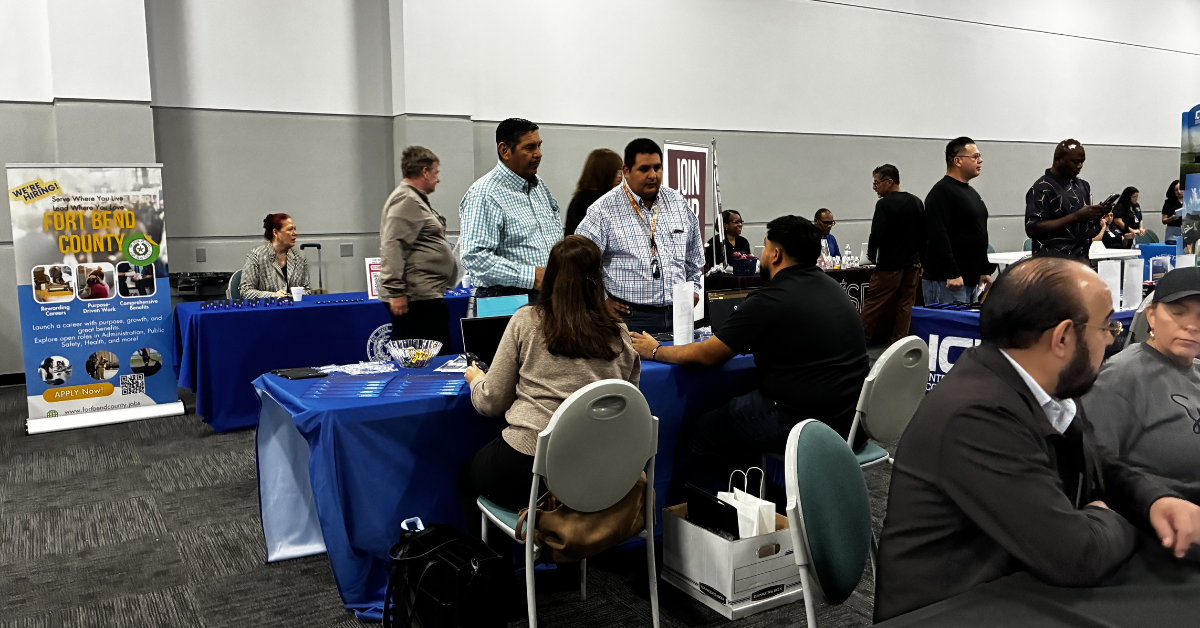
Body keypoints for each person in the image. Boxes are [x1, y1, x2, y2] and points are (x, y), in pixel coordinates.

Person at [874, 256, 1200, 622]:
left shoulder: (1038, 389)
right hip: (952, 609)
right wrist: (1122, 517)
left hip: (1011, 585)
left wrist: (1154, 501)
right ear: (1062, 338)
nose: (1112, 340)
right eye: (1107, 327)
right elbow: (1076, 555)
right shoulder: (977, 416)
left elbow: (1099, 463)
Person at [629, 216, 869, 502]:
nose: (761, 256)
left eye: (765, 248)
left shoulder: (768, 300)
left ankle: (777, 508)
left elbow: (706, 356)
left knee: (704, 433)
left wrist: (655, 350)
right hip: (851, 419)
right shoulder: (834, 289)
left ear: (776, 254)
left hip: (801, 419)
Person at [457, 236, 641, 554]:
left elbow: (492, 401)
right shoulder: (618, 331)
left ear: (550, 274)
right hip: (598, 472)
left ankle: (495, 577)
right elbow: (629, 400)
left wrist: (476, 379)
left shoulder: (527, 322)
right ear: (598, 279)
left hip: (531, 469)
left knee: (466, 475)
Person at [1081, 267, 1200, 503]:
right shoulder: (1122, 377)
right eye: (1177, 312)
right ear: (1151, 316)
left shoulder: (1196, 370)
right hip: (1163, 522)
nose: (1191, 326)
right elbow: (1095, 473)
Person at [576, 138, 704, 335]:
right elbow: (578, 262)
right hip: (631, 317)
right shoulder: (603, 210)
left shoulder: (678, 203)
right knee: (638, 367)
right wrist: (600, 301)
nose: (653, 175)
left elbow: (695, 257)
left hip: (679, 314)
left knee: (683, 366)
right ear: (626, 171)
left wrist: (694, 289)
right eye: (644, 169)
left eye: (657, 168)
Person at [459, 118, 562, 301]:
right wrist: (532, 276)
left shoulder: (540, 187)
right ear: (505, 150)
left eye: (539, 146)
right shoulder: (484, 193)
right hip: (504, 298)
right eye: (530, 147)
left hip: (547, 296)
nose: (538, 154)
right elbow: (475, 258)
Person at [379, 145, 458, 349]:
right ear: (425, 171)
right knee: (423, 359)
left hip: (425, 296)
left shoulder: (415, 199)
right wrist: (395, 291)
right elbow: (393, 245)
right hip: (417, 299)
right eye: (435, 172)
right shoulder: (407, 199)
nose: (438, 179)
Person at [923, 136, 995, 304]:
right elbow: (937, 235)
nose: (980, 160)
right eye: (975, 156)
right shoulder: (941, 192)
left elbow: (979, 233)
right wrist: (952, 272)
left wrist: (984, 270)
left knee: (963, 330)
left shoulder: (971, 193)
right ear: (958, 161)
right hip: (948, 282)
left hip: (970, 280)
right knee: (945, 328)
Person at [861, 164, 925, 344]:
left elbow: (876, 234)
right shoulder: (916, 202)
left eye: (876, 183)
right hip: (912, 266)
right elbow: (924, 234)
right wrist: (922, 261)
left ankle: (860, 340)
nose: (875, 188)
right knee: (905, 306)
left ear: (889, 182)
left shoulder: (883, 205)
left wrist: (871, 254)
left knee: (873, 305)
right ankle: (900, 342)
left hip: (889, 267)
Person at [1025, 139, 1110, 261]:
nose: (1080, 166)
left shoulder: (1082, 186)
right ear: (1058, 159)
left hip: (1081, 262)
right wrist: (1076, 217)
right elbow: (1032, 228)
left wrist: (1096, 215)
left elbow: (1087, 233)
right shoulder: (1041, 189)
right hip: (1051, 266)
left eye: (1082, 162)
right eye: (1075, 162)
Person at [240, 213, 311, 299]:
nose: (294, 233)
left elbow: (307, 290)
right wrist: (272, 295)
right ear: (276, 232)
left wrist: (293, 295)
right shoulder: (256, 256)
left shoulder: (300, 256)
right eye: (290, 229)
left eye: (295, 229)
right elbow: (245, 291)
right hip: (268, 309)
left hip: (294, 309)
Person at [564, 148, 623, 235]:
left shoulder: (578, 198)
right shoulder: (600, 202)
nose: (620, 177)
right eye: (617, 172)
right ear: (604, 172)